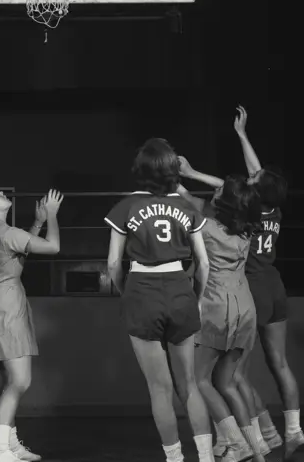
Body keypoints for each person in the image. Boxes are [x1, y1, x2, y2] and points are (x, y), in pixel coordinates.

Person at [180, 107, 304, 459]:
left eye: (255, 176)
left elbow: (225, 190)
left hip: (244, 292)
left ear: (254, 191)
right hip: (273, 286)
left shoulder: (231, 218)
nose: (251, 174)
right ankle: (289, 432)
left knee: (230, 377)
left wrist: (186, 175)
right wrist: (242, 134)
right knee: (278, 364)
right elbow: (244, 182)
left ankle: (252, 440)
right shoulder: (269, 210)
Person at [104, 138, 214, 462]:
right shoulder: (186, 207)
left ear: (140, 169)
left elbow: (112, 263)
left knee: (159, 389)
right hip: (180, 288)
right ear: (172, 170)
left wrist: (126, 292)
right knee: (190, 385)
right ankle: (206, 458)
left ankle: (175, 458)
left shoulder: (125, 206)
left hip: (141, 289)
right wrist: (196, 298)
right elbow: (204, 263)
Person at [0, 182, 64, 462]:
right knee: (20, 380)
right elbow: (53, 247)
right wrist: (53, 214)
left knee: (11, 379)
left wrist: (37, 221)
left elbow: (19, 252)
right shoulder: (6, 232)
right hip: (6, 307)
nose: (2, 194)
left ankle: (9, 444)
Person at [177, 169, 267, 462]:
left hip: (217, 309)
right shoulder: (248, 226)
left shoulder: (204, 227)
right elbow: (239, 194)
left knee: (199, 379)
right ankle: (258, 451)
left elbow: (190, 202)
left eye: (219, 193)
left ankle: (236, 443)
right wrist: (186, 178)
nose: (213, 192)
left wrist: (175, 181)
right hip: (245, 308)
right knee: (227, 383)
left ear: (225, 204)